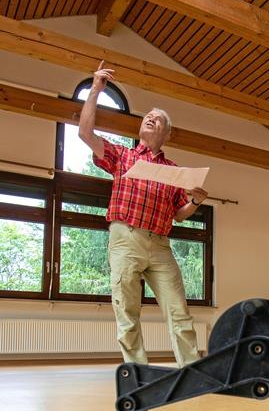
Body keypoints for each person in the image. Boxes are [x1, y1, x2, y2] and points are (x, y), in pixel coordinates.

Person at [78, 61, 209, 366]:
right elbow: (85, 133)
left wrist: (196, 202)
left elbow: (179, 214)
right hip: (126, 239)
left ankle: (191, 370)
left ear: (167, 134)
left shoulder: (174, 171)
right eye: (148, 117)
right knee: (127, 311)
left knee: (178, 311)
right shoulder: (122, 156)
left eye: (158, 119)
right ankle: (137, 372)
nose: (151, 119)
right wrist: (95, 90)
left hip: (160, 245)